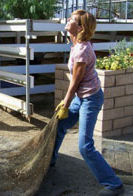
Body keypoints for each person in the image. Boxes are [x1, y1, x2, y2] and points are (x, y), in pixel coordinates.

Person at [51, 10, 124, 196]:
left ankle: (114, 184)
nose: (68, 20)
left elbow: (75, 82)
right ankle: (49, 161)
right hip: (81, 97)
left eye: (72, 20)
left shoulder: (83, 50)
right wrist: (69, 102)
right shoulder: (75, 44)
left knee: (84, 145)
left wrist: (65, 103)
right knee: (59, 125)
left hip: (90, 99)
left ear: (81, 27)